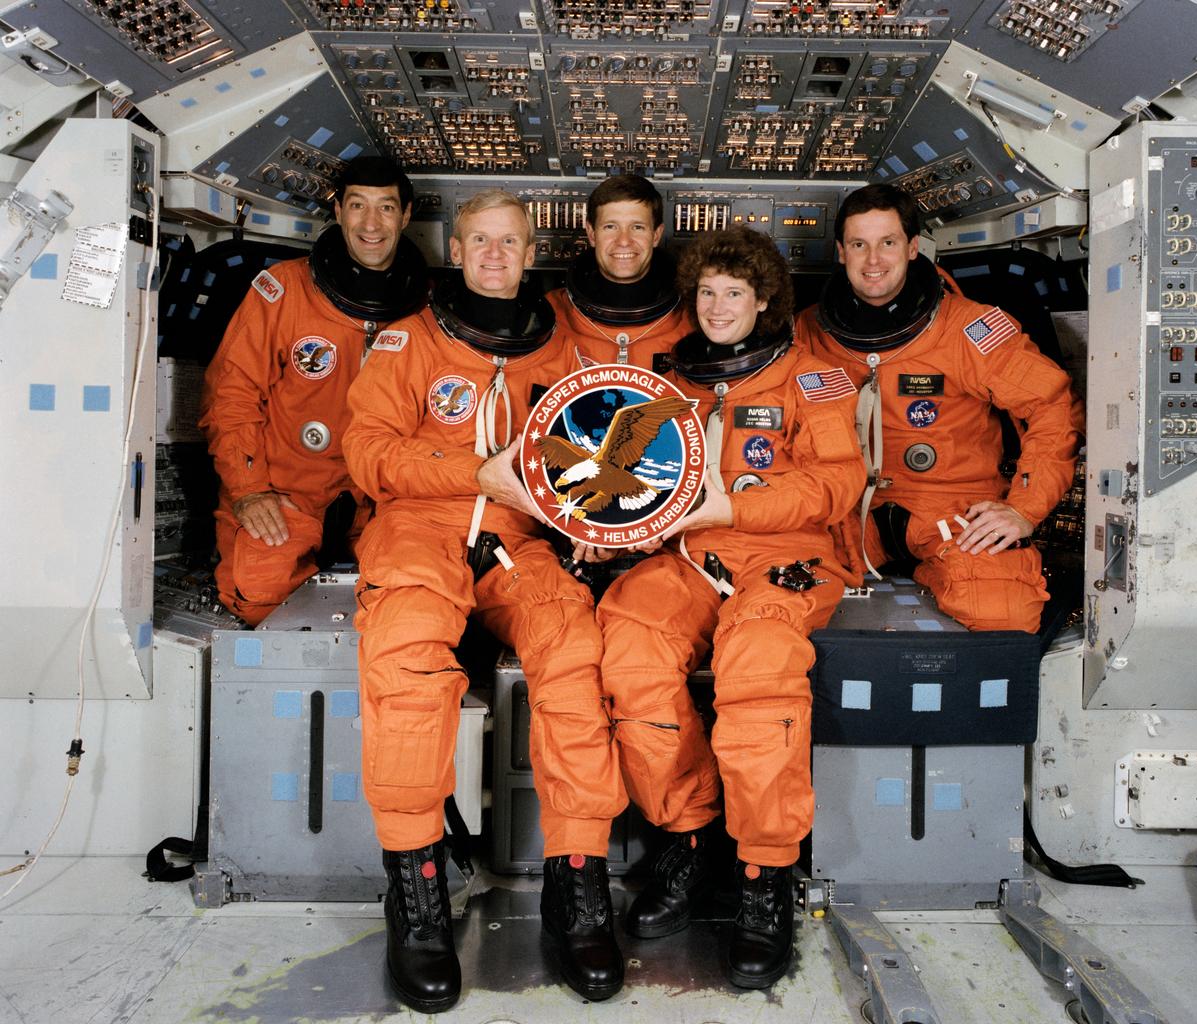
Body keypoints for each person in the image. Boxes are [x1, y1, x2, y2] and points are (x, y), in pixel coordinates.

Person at [343, 190, 628, 1011]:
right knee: (405, 657)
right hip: (417, 530)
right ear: (456, 252)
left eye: (510, 241)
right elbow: (366, 454)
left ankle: (576, 888)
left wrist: (589, 521)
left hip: (516, 542)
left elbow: (591, 458)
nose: (496, 255)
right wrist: (472, 474)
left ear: (529, 250)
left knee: (574, 650)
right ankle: (418, 894)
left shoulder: (564, 356)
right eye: (480, 242)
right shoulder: (407, 343)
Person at [595, 226, 865, 988]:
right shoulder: (664, 383)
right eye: (707, 292)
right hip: (687, 559)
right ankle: (687, 834)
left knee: (757, 667)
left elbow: (836, 484)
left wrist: (731, 508)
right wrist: (602, 531)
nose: (717, 307)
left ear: (766, 300)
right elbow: (624, 476)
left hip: (785, 559)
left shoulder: (815, 382)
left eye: (735, 293)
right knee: (630, 643)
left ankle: (764, 876)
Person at [796, 183, 1084, 632]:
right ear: (840, 252)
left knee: (1004, 612)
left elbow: (1052, 406)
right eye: (859, 245)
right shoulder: (808, 332)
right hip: (846, 511)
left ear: (912, 248)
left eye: (887, 243)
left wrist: (1024, 508)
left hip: (951, 509)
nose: (873, 261)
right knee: (774, 586)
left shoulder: (970, 330)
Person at [199, 155, 427, 625]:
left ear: (405, 216)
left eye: (385, 208)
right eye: (357, 205)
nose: (371, 223)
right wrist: (249, 489)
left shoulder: (424, 308)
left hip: (380, 498)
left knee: (414, 596)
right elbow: (232, 394)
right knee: (257, 592)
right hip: (286, 491)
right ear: (338, 210)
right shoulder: (283, 291)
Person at [547, 173, 691, 370]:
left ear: (656, 235)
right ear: (591, 234)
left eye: (637, 227)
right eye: (610, 227)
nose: (624, 240)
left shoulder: (692, 318)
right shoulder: (550, 315)